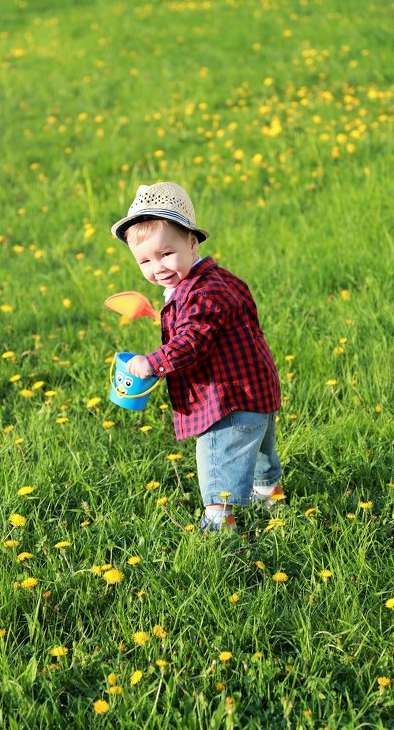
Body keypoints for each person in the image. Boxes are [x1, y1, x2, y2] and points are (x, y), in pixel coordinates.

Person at [111, 181, 285, 533]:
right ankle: (271, 493)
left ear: (192, 243)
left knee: (219, 456)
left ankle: (220, 525)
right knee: (259, 447)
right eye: (145, 260)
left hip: (228, 399)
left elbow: (193, 339)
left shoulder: (204, 293)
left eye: (166, 254)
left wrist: (155, 361)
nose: (157, 267)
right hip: (255, 389)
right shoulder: (210, 280)